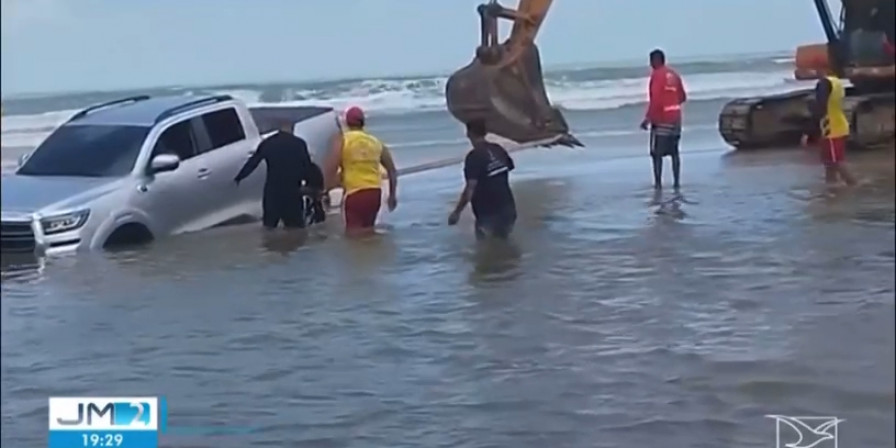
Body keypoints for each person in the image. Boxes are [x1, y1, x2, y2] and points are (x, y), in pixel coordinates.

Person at [324, 106, 398, 236]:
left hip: (354, 194)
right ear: (363, 122)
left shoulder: (342, 140)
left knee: (353, 238)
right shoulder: (375, 142)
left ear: (346, 122)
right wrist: (392, 195)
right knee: (369, 233)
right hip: (375, 193)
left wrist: (325, 189)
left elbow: (332, 167)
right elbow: (392, 170)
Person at [234, 120, 315, 229]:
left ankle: (270, 245)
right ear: (292, 128)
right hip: (293, 192)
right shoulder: (299, 143)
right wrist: (311, 186)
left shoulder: (268, 143)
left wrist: (239, 177)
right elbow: (307, 167)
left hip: (272, 193)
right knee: (295, 228)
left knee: (269, 228)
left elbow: (253, 162)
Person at [447, 119, 517, 240]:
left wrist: (457, 212)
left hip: (488, 212)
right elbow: (510, 166)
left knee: (485, 249)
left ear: (468, 133)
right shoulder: (498, 149)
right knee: (502, 244)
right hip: (508, 208)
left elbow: (470, 189)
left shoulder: (473, 157)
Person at [640, 48, 687, 190]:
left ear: (655, 61)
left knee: (656, 153)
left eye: (651, 61)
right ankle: (677, 182)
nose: (650, 65)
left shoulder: (657, 76)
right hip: (676, 118)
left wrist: (648, 119)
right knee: (674, 152)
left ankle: (658, 183)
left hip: (662, 119)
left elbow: (656, 100)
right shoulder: (674, 75)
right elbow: (682, 97)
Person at [800, 75, 856, 186]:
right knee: (830, 162)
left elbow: (820, 109)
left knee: (836, 161)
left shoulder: (824, 85)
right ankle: (832, 186)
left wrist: (808, 132)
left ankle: (853, 184)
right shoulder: (835, 82)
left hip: (831, 129)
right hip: (837, 124)